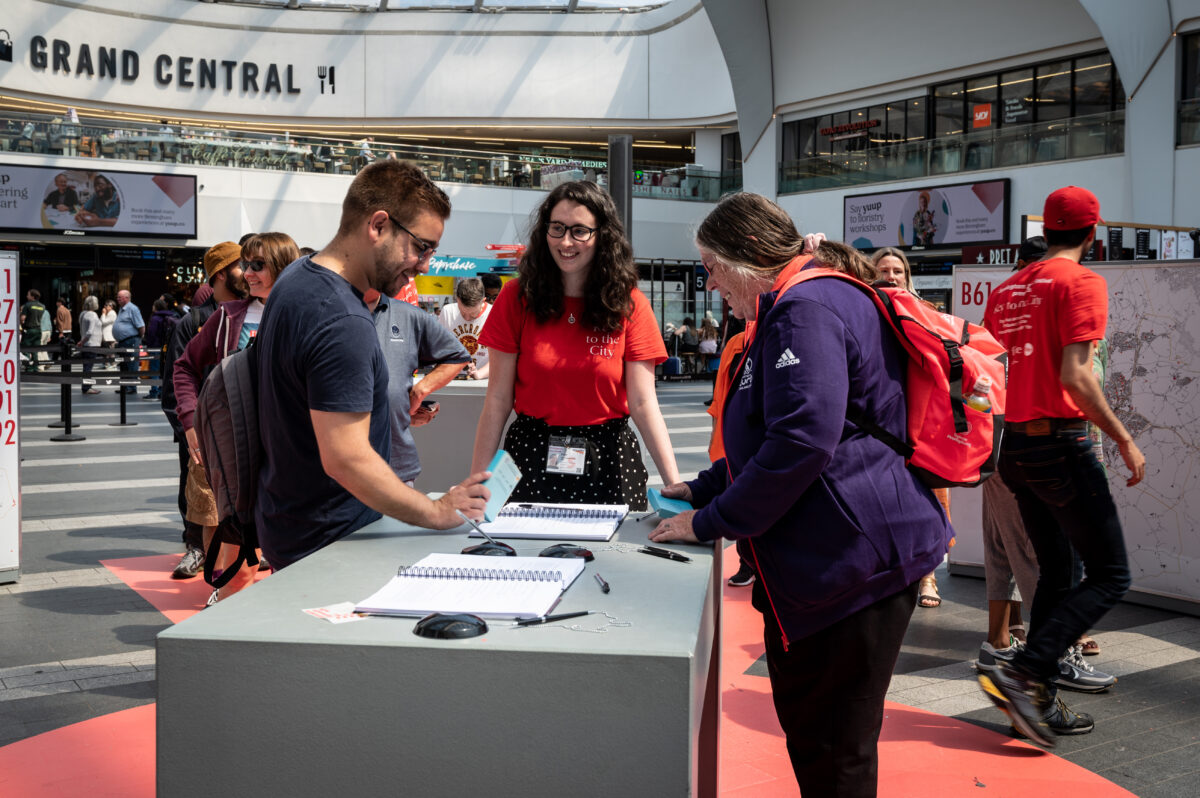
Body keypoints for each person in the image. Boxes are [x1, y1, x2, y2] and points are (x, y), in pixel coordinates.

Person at [649, 193, 952, 797]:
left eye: (711, 266)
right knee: (827, 745)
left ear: (751, 254)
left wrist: (710, 521)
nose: (709, 285)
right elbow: (779, 433)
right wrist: (704, 487)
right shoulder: (803, 301)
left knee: (834, 752)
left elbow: (804, 440)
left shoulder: (805, 307)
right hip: (844, 559)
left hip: (852, 564)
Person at [254, 160, 489, 570]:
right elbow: (346, 458)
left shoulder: (295, 279)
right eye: (421, 246)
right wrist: (436, 511)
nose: (425, 265)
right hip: (334, 543)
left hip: (291, 526)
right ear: (378, 225)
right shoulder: (343, 318)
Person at [978, 186, 1142, 747]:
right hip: (1061, 445)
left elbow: (988, 379)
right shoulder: (1083, 282)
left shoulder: (1005, 293)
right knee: (1111, 575)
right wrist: (1123, 439)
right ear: (1092, 235)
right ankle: (1023, 670)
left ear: (1045, 230)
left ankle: (1035, 692)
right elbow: (1077, 374)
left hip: (1016, 450)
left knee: (1057, 572)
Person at [471, 180, 680, 508]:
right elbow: (497, 399)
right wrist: (477, 480)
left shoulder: (630, 304)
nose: (566, 241)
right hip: (529, 457)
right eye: (557, 228)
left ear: (602, 236)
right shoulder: (516, 298)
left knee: (616, 556)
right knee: (523, 557)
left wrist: (674, 483)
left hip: (610, 458)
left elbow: (643, 402)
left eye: (580, 230)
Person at [176, 233, 299, 602]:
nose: (248, 273)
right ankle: (225, 608)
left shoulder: (302, 314)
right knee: (234, 546)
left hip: (291, 451)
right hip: (239, 450)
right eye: (246, 265)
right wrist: (190, 421)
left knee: (292, 550)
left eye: (257, 264)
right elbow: (184, 368)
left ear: (283, 265)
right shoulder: (228, 316)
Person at [868, 245, 950, 610]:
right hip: (878, 421)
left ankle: (928, 576)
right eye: (883, 270)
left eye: (897, 271)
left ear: (907, 276)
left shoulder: (928, 312)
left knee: (931, 499)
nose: (890, 276)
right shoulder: (863, 310)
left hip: (921, 421)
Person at [162, 242, 247, 580]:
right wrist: (188, 429)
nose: (251, 271)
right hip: (202, 429)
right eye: (244, 265)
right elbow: (176, 376)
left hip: (244, 430)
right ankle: (197, 552)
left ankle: (238, 566)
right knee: (203, 504)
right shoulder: (196, 320)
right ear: (222, 273)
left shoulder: (257, 310)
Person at [369, 288, 470, 485]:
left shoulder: (407, 315)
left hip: (395, 467)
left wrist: (419, 391)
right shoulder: (329, 311)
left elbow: (457, 356)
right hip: (334, 473)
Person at [438, 277, 492, 379]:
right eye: (462, 312)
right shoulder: (447, 312)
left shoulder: (493, 314)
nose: (467, 318)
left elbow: (500, 357)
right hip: (453, 379)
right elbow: (439, 348)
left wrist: (479, 374)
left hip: (484, 381)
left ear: (483, 301)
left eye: (472, 314)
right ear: (457, 299)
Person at [110, 289, 145, 395]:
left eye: (119, 297)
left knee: (132, 364)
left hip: (131, 340)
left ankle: (131, 387)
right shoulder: (122, 309)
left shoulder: (133, 309)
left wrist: (138, 338)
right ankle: (124, 386)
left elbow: (141, 326)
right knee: (124, 364)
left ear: (126, 298)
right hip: (123, 341)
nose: (117, 299)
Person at [143, 299, 176, 400]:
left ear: (156, 307)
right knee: (164, 371)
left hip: (155, 347)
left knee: (154, 370)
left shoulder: (155, 318)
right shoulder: (171, 316)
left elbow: (151, 333)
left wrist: (148, 344)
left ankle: (154, 392)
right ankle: (162, 392)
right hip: (166, 347)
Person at [77, 295, 102, 395]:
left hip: (87, 344)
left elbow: (82, 330)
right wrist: (82, 342)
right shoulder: (92, 315)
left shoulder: (83, 313)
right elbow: (90, 332)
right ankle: (87, 387)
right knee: (88, 368)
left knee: (86, 367)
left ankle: (86, 386)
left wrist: (82, 341)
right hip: (91, 344)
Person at [19, 289, 47, 373]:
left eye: (28, 295)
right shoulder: (42, 306)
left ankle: (29, 367)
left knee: (26, 349)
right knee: (35, 350)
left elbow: (22, 318)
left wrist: (22, 324)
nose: (27, 296)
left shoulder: (28, 305)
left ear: (32, 296)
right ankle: (35, 367)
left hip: (29, 329)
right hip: (38, 330)